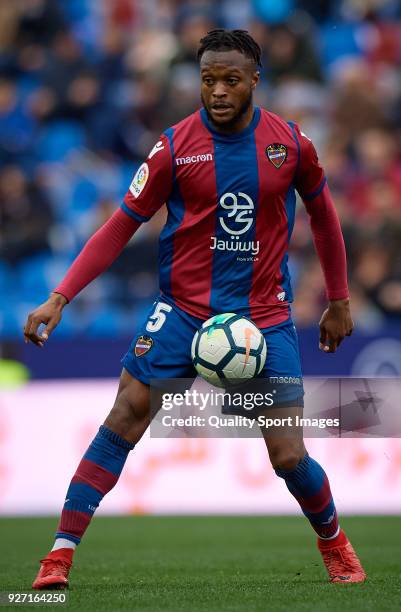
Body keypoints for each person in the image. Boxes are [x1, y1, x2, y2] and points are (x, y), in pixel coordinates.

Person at [25, 29, 366, 589]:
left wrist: (338, 298)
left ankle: (334, 541)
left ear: (255, 79)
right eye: (208, 80)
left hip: (263, 316)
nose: (218, 91)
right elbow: (119, 226)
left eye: (231, 80)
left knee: (286, 455)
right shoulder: (174, 146)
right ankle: (58, 556)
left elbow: (325, 220)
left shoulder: (290, 144)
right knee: (125, 415)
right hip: (183, 313)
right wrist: (60, 296)